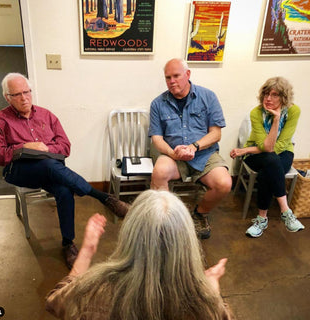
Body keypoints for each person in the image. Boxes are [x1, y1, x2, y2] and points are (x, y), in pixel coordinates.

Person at [0, 72, 129, 269]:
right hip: (18, 171)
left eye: (27, 92)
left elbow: (65, 146)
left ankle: (67, 243)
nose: (24, 98)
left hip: (50, 168)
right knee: (49, 166)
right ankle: (102, 197)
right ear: (7, 97)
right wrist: (24, 148)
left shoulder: (47, 115)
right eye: (17, 94)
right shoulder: (0, 120)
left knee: (64, 190)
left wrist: (47, 149)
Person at [45, 190, 231, 320]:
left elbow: (56, 302)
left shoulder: (94, 292)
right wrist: (211, 289)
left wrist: (86, 252)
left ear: (129, 235)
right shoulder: (204, 304)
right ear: (188, 240)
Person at [148, 58, 232, 239]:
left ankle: (200, 213)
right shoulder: (157, 103)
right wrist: (173, 153)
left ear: (188, 74)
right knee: (159, 172)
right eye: (168, 77)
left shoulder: (208, 96)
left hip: (204, 153)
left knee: (224, 184)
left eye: (176, 76)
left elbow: (216, 134)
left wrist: (194, 147)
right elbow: (157, 138)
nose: (172, 81)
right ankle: (166, 221)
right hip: (173, 155)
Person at [230, 76, 305, 237]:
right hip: (257, 155)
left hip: (283, 151)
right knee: (270, 161)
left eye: (275, 95)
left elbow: (280, 144)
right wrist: (276, 120)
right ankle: (286, 212)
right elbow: (267, 147)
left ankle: (261, 218)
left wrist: (245, 150)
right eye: (266, 94)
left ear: (284, 97)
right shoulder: (256, 113)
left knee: (268, 169)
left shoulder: (293, 111)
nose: (268, 99)